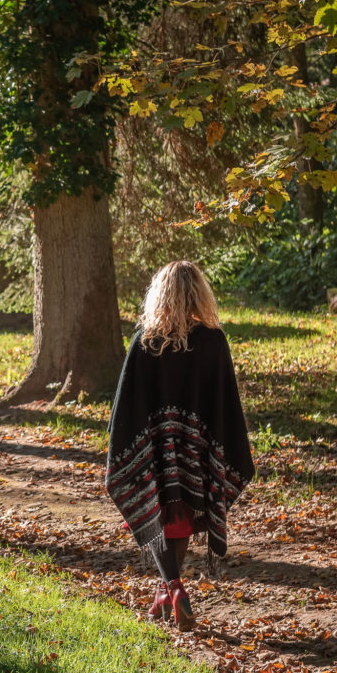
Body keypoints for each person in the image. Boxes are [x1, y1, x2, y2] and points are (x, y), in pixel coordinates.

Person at [106, 260, 255, 630]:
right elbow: (225, 404)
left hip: (153, 451)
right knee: (182, 518)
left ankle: (172, 587)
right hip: (196, 452)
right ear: (199, 294)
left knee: (158, 513)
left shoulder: (145, 341)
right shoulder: (214, 342)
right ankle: (170, 590)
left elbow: (125, 405)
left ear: (160, 294)